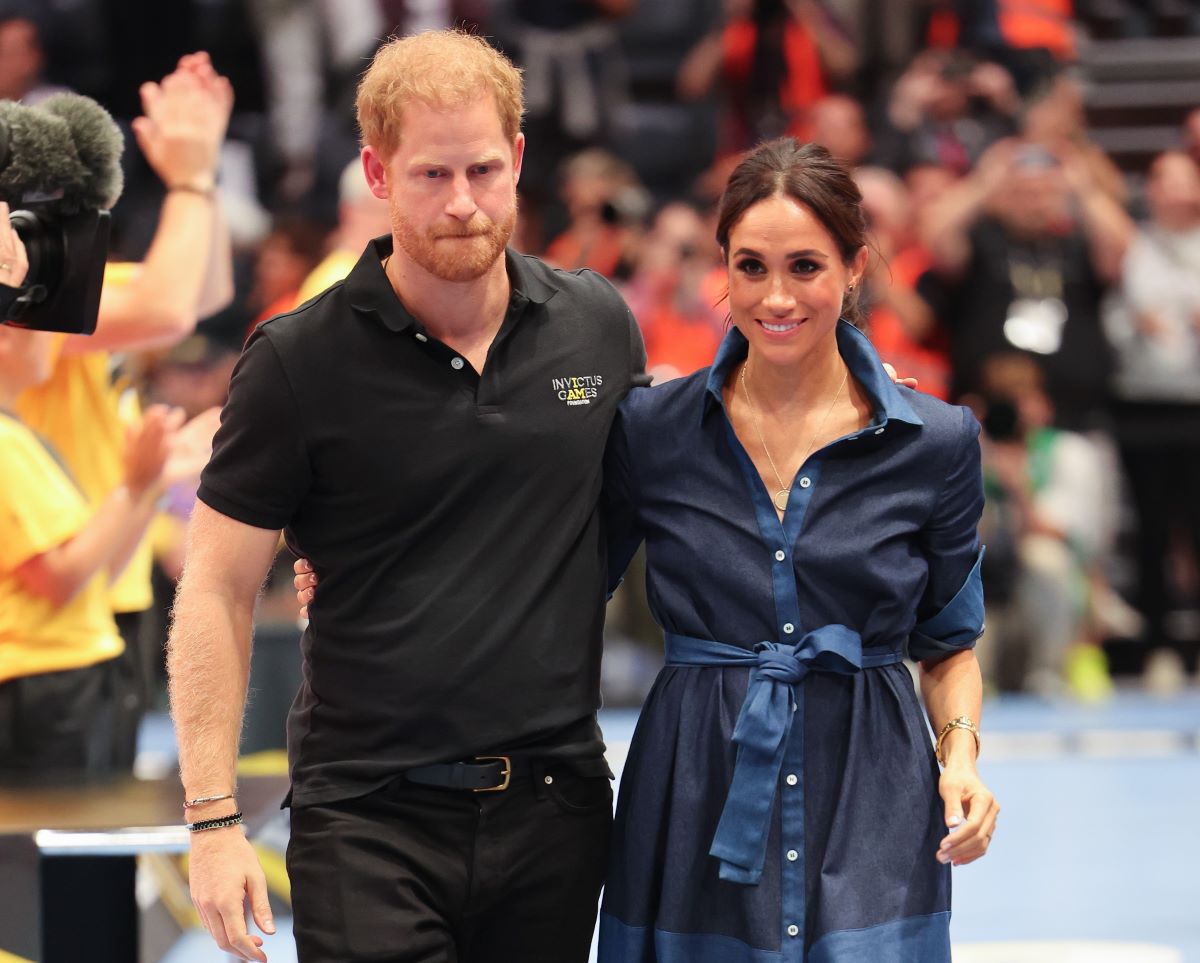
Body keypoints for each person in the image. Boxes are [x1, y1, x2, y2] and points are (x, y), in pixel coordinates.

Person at [166, 30, 647, 963]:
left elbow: (640, 512)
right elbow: (216, 590)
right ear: (378, 174)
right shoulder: (296, 361)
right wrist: (214, 818)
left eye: (480, 169)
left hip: (557, 808)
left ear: (516, 160)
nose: (462, 204)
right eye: (431, 175)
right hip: (367, 818)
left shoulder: (598, 327)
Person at [596, 139, 998, 960]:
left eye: (806, 266)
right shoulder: (651, 430)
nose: (776, 296)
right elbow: (547, 575)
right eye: (751, 266)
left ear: (854, 269)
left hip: (876, 791)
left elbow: (950, 645)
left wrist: (960, 759)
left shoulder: (938, 442)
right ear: (725, 273)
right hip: (693, 788)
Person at [15, 51, 233, 771]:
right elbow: (169, 310)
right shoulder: (32, 296)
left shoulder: (80, 280)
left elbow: (203, 290)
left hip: (111, 578)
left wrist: (207, 167)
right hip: (56, 604)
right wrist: (191, 178)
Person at [0, 213, 212, 779]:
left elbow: (98, 570)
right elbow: (63, 578)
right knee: (51, 862)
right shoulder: (6, 444)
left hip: (67, 671)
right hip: (37, 682)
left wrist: (150, 481)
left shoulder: (22, 436)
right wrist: (137, 485)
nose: (59, 333)